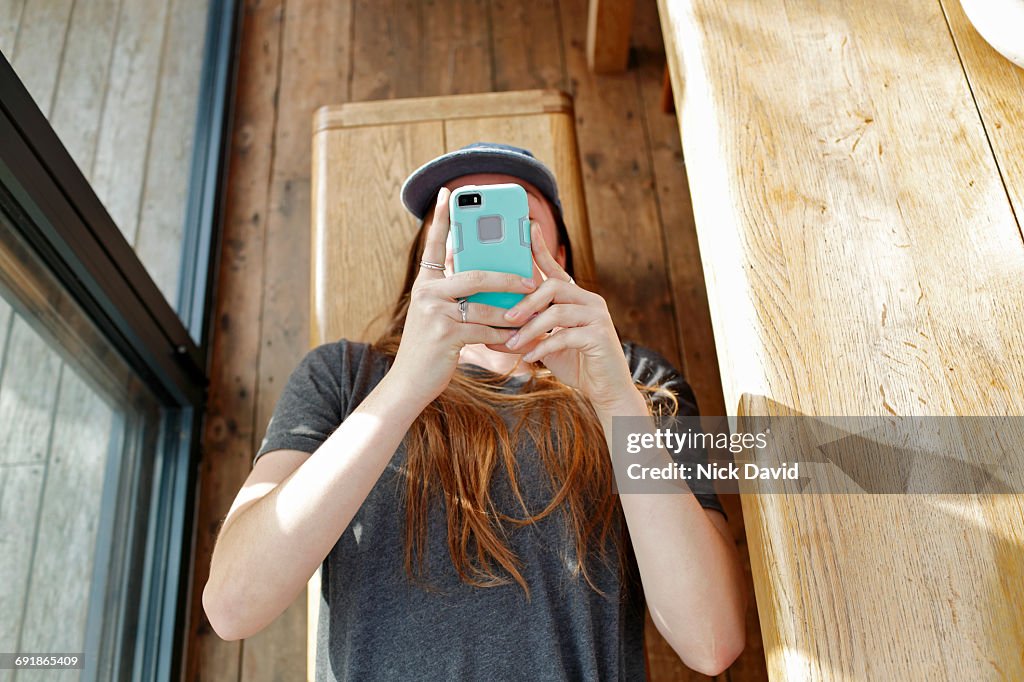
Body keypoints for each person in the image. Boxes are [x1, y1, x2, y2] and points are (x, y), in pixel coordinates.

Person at [203, 143, 747, 679]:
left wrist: (613, 402)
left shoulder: (637, 381)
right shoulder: (344, 376)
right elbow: (232, 606)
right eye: (465, 217)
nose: (490, 232)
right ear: (430, 256)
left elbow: (711, 641)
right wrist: (406, 385)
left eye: (517, 214)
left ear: (560, 254)